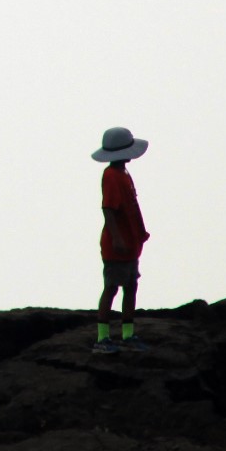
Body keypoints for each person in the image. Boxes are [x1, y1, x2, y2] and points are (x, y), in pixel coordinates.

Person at [92, 126, 151, 354]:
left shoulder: (123, 174)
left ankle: (128, 334)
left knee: (131, 286)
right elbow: (108, 209)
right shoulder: (111, 176)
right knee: (111, 288)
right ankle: (102, 338)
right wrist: (116, 238)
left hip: (131, 244)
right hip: (117, 246)